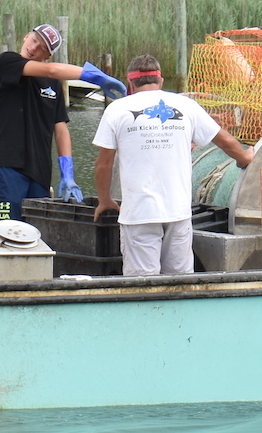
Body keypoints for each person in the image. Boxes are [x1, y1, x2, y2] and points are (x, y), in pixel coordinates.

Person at [92, 53, 253, 276]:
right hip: (178, 211)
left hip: (139, 214)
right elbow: (224, 139)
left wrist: (104, 199)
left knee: (142, 285)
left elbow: (103, 164)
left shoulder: (116, 109)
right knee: (180, 283)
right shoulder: (185, 105)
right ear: (161, 81)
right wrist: (244, 158)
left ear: (130, 83)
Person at [0, 23, 129, 223]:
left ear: (47, 56)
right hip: (9, 167)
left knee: (37, 234)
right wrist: (96, 77)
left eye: (42, 49)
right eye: (34, 40)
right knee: (5, 228)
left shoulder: (53, 85)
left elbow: (61, 129)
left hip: (40, 174)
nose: (34, 48)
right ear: (26, 36)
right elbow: (53, 70)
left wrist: (68, 173)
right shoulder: (8, 62)